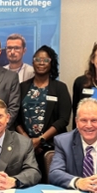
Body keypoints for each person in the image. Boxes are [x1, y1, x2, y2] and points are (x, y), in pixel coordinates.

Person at [15, 45, 71, 182]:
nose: (41, 62)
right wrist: (28, 141)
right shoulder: (22, 87)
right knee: (25, 184)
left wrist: (40, 140)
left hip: (51, 148)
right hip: (25, 148)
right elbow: (15, 117)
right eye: (38, 59)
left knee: (51, 184)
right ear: (33, 62)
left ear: (51, 63)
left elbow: (64, 119)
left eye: (45, 60)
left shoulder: (60, 88)